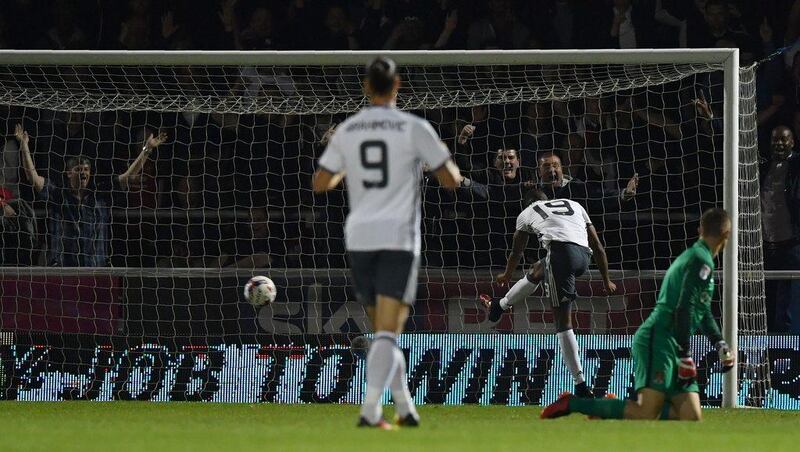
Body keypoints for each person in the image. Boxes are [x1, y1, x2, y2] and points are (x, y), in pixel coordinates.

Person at [312, 56, 460, 429]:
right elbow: (451, 180)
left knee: (383, 331)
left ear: (366, 86)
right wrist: (434, 159)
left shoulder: (348, 130)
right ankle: (370, 410)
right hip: (397, 237)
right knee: (389, 331)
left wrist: (347, 168)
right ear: (398, 86)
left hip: (360, 236)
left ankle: (406, 408)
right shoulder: (414, 127)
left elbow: (320, 183)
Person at [541, 207, 736, 421]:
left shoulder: (699, 257)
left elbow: (702, 309)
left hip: (674, 342)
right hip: (660, 339)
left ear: (700, 229)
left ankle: (607, 406)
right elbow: (684, 307)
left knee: (691, 415)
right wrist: (686, 355)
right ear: (727, 235)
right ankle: (574, 403)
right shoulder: (700, 260)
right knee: (646, 411)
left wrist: (719, 343)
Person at [480, 189, 616, 398]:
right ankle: (500, 305)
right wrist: (606, 279)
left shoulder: (527, 212)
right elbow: (597, 245)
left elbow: (517, 250)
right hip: (584, 258)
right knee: (538, 269)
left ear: (528, 203)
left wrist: (507, 274)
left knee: (563, 323)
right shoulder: (574, 203)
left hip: (561, 255)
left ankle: (579, 384)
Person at [15, 123, 167, 267]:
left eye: (86, 170)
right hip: (63, 271)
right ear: (68, 173)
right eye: (78, 169)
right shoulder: (58, 195)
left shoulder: (101, 195)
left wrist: (147, 150)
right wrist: (24, 146)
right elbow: (32, 178)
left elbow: (128, 177)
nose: (83, 173)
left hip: (95, 270)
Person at [768, 125, 800, 333]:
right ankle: (769, 343)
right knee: (768, 295)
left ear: (792, 142)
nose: (779, 143)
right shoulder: (762, 166)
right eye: (775, 139)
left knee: (789, 298)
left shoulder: (796, 165)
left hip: (792, 242)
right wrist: (713, 122)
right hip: (766, 241)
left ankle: (789, 345)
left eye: (784, 139)